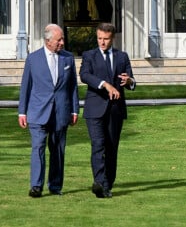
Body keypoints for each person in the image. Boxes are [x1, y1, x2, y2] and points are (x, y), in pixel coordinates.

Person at [18, 24, 79, 198]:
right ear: (48, 40)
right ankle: (36, 186)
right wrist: (22, 112)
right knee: (38, 147)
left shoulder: (68, 58)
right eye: (59, 39)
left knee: (58, 150)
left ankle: (55, 186)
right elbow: (26, 87)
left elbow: (72, 86)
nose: (62, 42)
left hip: (61, 111)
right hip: (37, 112)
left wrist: (75, 110)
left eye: (62, 39)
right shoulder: (33, 59)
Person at [79, 22, 136, 198]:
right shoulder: (89, 55)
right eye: (99, 38)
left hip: (115, 110)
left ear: (113, 39)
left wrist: (130, 82)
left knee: (111, 148)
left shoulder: (122, 56)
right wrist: (105, 85)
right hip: (95, 109)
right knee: (98, 145)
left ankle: (107, 183)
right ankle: (99, 183)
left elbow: (131, 80)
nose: (102, 42)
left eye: (106, 39)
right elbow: (84, 75)